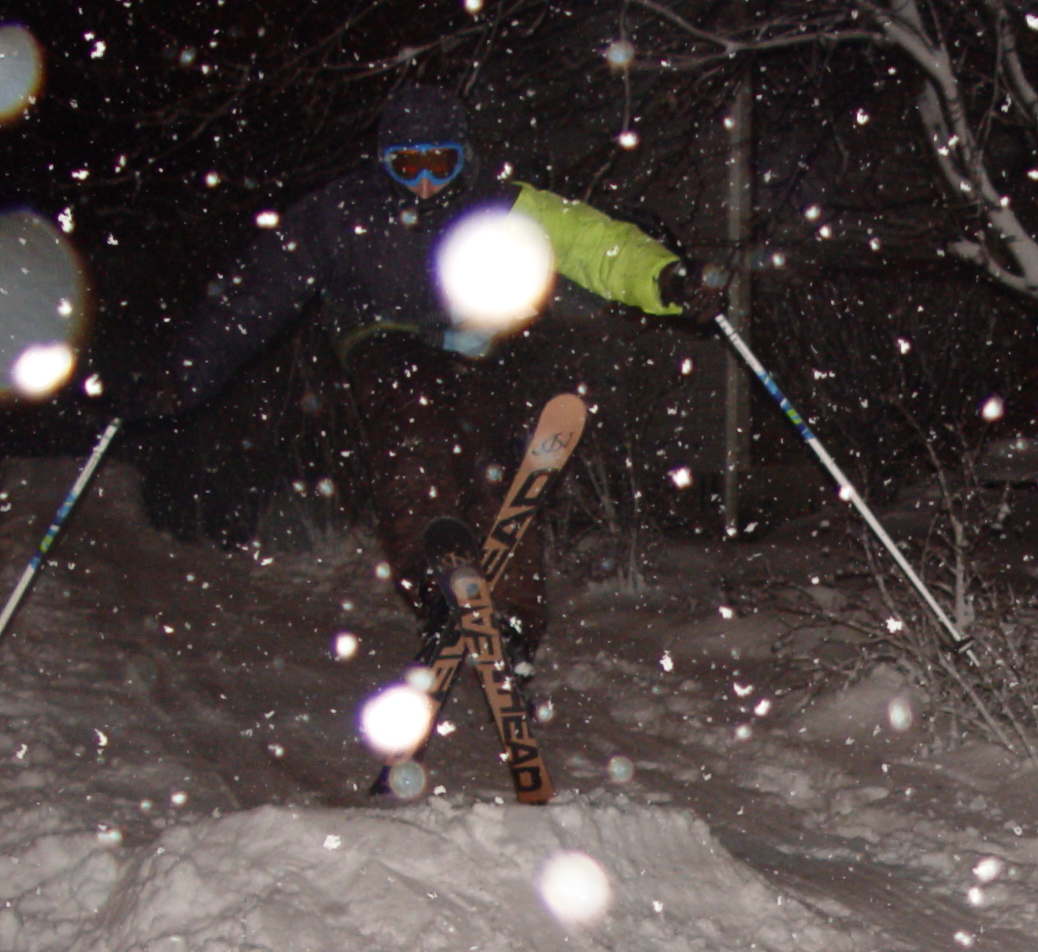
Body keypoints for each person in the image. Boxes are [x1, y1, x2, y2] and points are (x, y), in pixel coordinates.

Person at [142, 81, 719, 663]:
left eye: (439, 163)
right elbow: (258, 291)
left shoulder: (498, 206)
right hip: (380, 335)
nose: (423, 181)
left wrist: (666, 280)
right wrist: (184, 371)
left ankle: (512, 614)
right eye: (407, 164)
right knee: (413, 431)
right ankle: (436, 581)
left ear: (462, 158)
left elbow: (593, 245)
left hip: (473, 337)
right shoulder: (341, 213)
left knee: (491, 456)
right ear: (383, 162)